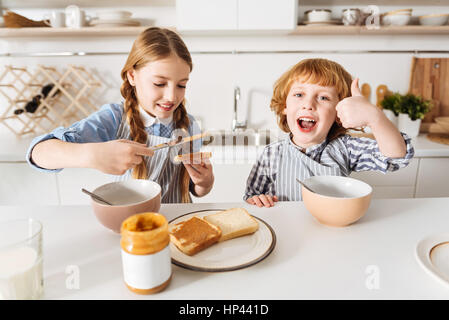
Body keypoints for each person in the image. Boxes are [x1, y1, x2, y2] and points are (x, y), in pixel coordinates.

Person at [26, 27, 214, 203]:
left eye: (181, 85)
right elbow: (37, 153)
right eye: (159, 83)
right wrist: (92, 154)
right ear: (132, 76)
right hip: (129, 226)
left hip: (176, 226)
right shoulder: (114, 118)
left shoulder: (189, 125)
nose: (172, 96)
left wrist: (204, 183)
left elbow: (192, 189)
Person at [244, 58, 414, 207]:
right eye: (299, 94)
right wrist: (258, 200)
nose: (308, 104)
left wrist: (375, 118)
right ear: (284, 107)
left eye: (323, 97)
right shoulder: (271, 154)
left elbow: (397, 156)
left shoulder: (346, 148)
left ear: (338, 113)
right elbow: (251, 198)